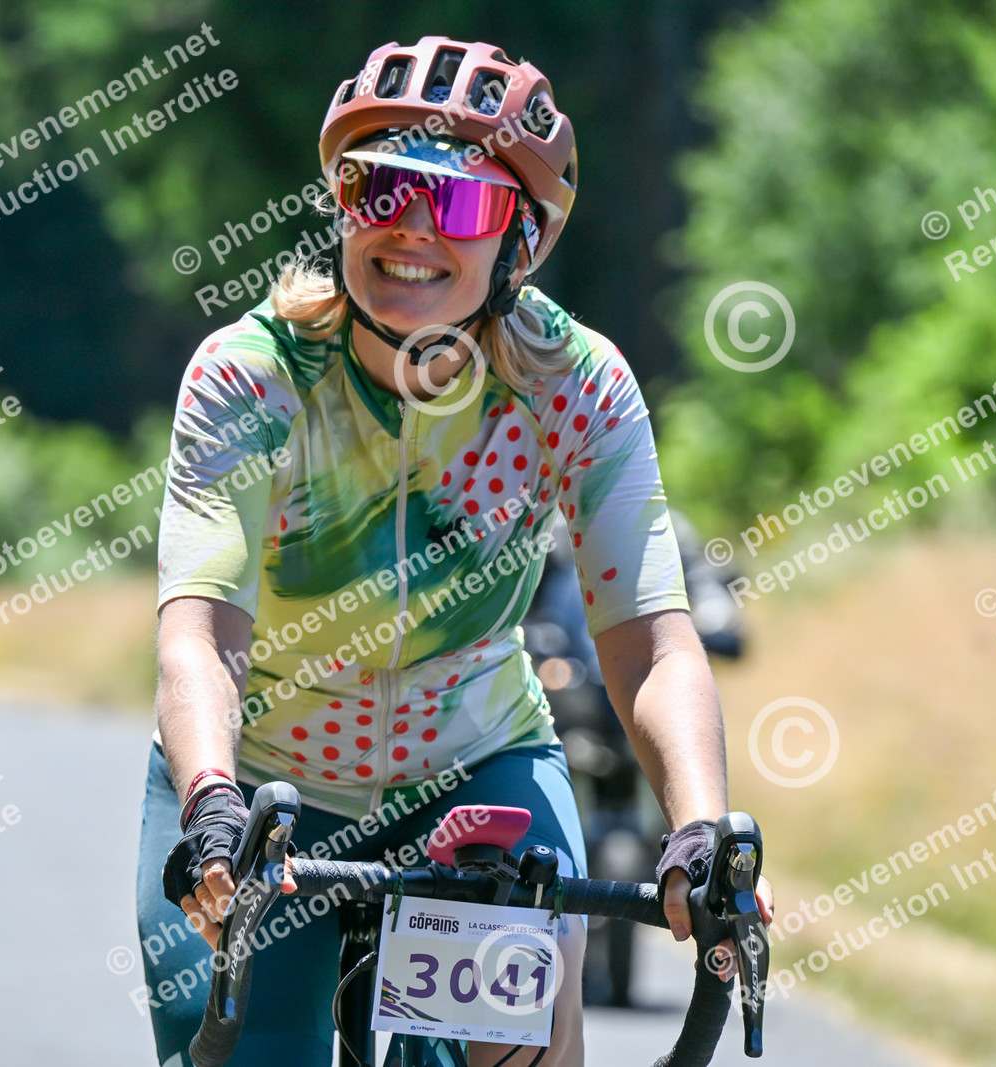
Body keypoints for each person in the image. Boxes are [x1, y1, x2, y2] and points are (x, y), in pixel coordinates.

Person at [138, 36, 773, 1066]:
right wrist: (212, 801)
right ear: (343, 206)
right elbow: (202, 632)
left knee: (527, 1044)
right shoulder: (253, 376)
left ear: (519, 238)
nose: (413, 228)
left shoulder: (574, 385)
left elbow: (650, 642)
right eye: (380, 187)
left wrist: (699, 830)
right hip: (261, 781)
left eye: (461, 202)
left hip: (477, 770)